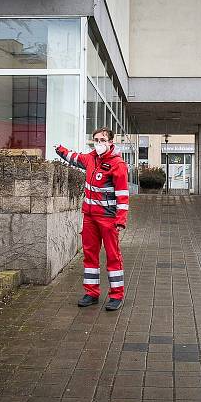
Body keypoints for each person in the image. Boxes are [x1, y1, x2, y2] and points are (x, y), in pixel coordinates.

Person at [55, 127, 129, 311]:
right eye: (96, 140)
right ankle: (91, 293)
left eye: (103, 140)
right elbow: (74, 157)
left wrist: (120, 220)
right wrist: (60, 149)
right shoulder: (90, 158)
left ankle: (116, 295)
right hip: (89, 218)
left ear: (111, 142)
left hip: (108, 218)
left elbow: (122, 196)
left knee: (113, 257)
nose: (99, 143)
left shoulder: (117, 164)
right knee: (89, 255)